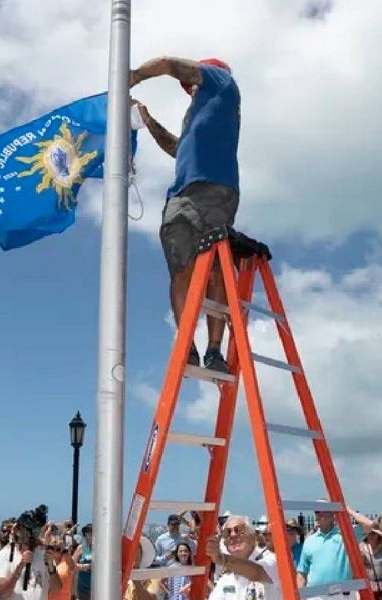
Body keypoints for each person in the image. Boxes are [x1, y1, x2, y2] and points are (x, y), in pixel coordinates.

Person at [130, 56, 240, 373]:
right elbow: (176, 148)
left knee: (216, 270)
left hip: (213, 190)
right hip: (181, 195)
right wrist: (148, 120)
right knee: (181, 269)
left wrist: (134, 76)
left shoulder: (223, 84)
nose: (190, 87)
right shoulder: (196, 117)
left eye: (192, 82)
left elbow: (168, 63)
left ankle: (215, 351)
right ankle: (187, 346)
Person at [73, 523, 94, 600]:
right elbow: (72, 564)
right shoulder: (81, 548)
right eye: (88, 532)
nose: (90, 534)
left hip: (98, 584)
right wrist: (84, 566)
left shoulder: (101, 547)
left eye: (92, 532)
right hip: (84, 581)